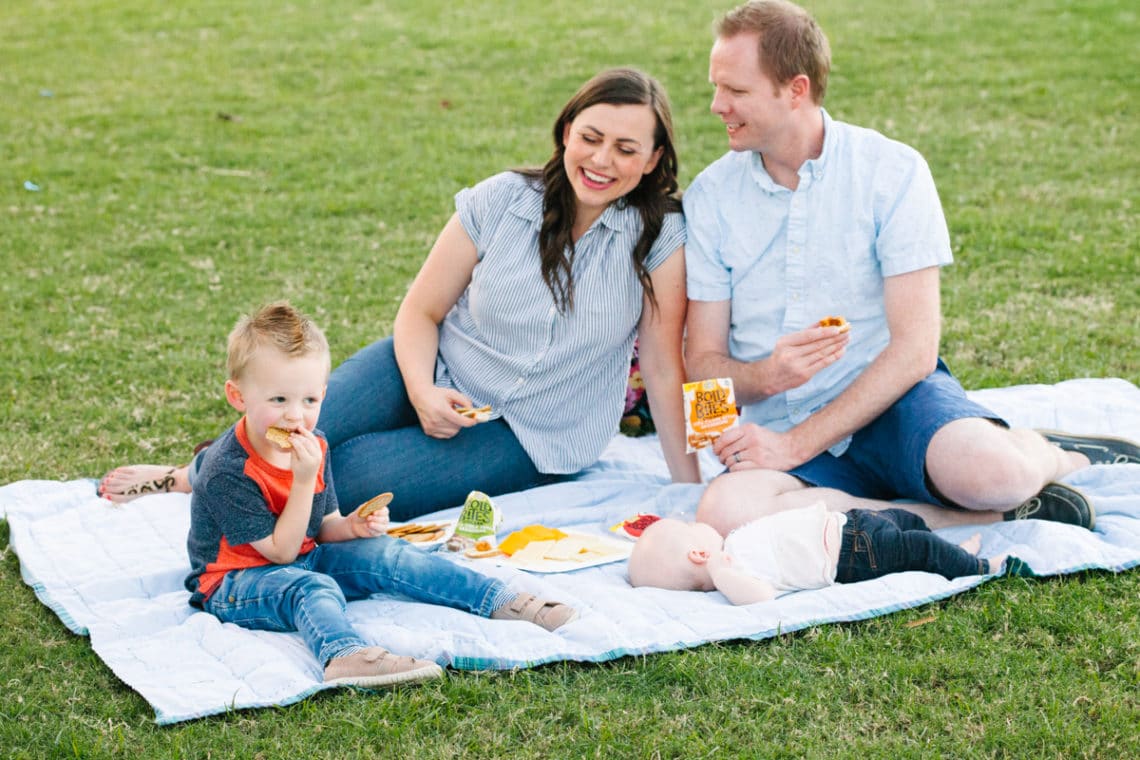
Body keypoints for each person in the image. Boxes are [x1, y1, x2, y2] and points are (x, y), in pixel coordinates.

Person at [100, 67, 700, 519]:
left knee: (340, 474)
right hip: (425, 363)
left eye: (626, 149)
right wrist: (421, 390)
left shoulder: (658, 237)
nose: (601, 160)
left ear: (651, 161)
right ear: (567, 131)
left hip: (527, 434)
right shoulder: (502, 200)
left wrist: (689, 490)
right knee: (290, 424)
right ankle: (189, 476)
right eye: (590, 138)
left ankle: (216, 479)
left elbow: (664, 366)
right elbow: (422, 309)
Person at [681, 0, 1139, 536]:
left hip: (894, 403)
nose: (716, 105)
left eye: (736, 91)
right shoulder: (710, 196)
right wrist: (764, 381)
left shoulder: (892, 172)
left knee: (997, 471)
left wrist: (795, 446)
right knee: (723, 514)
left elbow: (916, 349)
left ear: (796, 90)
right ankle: (983, 517)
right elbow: (703, 362)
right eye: (717, 87)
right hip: (777, 425)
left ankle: (1048, 453)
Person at [186, 302, 577, 689]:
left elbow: (321, 529)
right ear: (238, 396)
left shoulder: (314, 445)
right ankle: (343, 656)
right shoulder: (226, 469)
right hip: (235, 582)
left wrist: (352, 526)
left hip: (303, 555)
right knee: (311, 588)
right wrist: (304, 481)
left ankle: (498, 599)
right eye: (278, 400)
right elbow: (281, 554)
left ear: (323, 393)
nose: (295, 416)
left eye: (309, 401)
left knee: (386, 552)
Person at [628, 503, 1007, 605]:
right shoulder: (733, 572)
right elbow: (761, 596)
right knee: (918, 549)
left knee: (908, 523)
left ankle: (953, 552)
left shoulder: (732, 548)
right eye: (688, 525)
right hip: (855, 554)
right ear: (698, 553)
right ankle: (975, 565)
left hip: (849, 526)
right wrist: (721, 573)